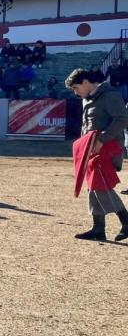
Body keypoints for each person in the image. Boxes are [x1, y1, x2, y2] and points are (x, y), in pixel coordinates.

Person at [66, 68, 128, 241]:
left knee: (99, 183)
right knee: (93, 185)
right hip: (94, 148)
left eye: (76, 87)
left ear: (86, 82)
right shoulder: (88, 98)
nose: (75, 92)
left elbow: (123, 119)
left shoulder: (110, 95)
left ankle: (126, 221)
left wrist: (101, 139)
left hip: (108, 147)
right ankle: (98, 229)